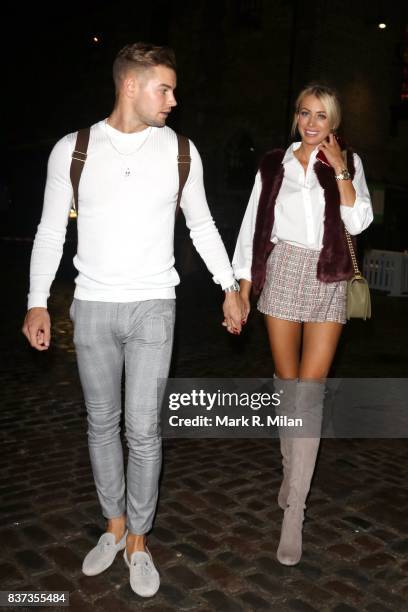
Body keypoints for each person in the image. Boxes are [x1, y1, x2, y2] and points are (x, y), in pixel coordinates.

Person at [22, 42, 242, 597]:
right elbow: (51, 231)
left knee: (142, 430)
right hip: (91, 305)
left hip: (153, 305)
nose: (173, 98)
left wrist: (229, 285)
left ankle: (140, 539)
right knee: (101, 423)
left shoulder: (181, 152)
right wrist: (37, 300)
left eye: (172, 88)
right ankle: (113, 527)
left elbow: (203, 225)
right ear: (130, 86)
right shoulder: (72, 150)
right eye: (163, 88)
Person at [232, 84, 373, 566]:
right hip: (285, 270)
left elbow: (359, 222)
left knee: (309, 391)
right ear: (296, 117)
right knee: (288, 387)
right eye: (305, 113)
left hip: (328, 276)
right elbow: (253, 225)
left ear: (334, 123)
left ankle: (294, 512)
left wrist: (340, 172)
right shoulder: (274, 163)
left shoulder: (347, 161)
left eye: (322, 116)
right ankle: (292, 477)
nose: (312, 123)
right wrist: (242, 288)